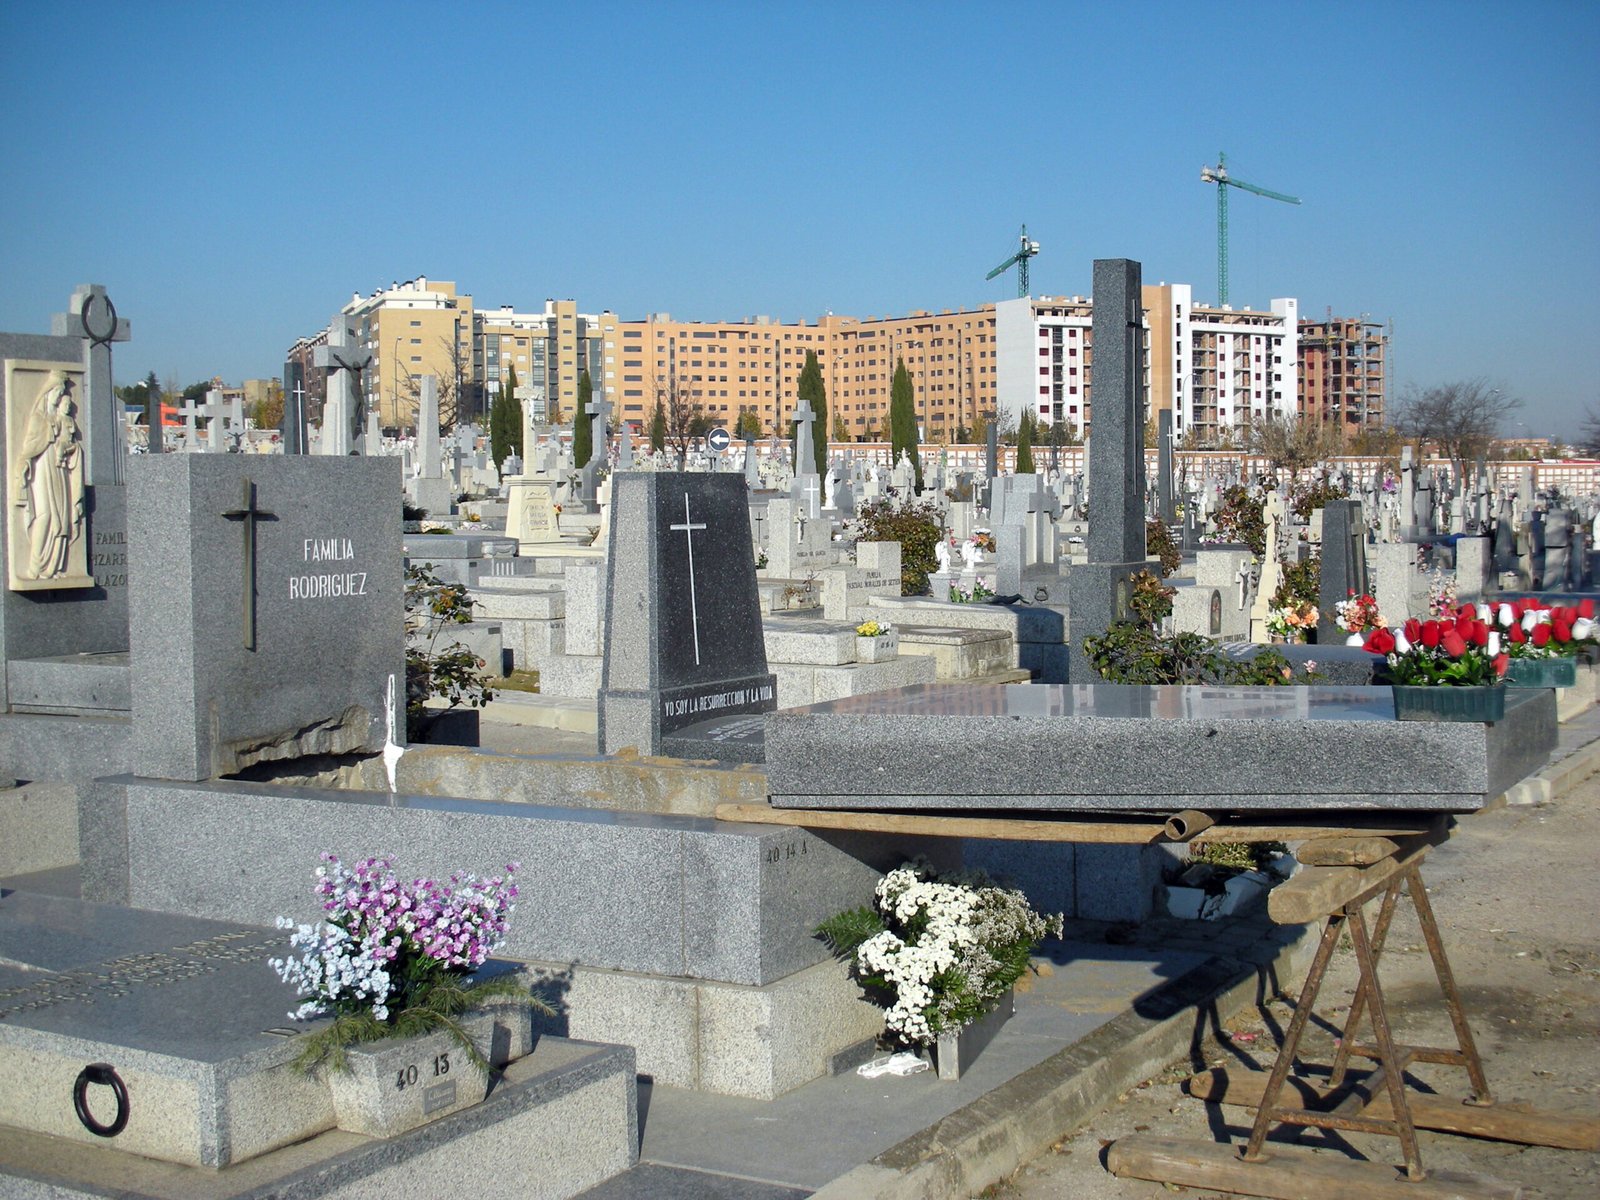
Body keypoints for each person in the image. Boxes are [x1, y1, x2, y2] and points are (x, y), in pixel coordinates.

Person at [13, 370, 85, 580]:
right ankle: (35, 567)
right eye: (57, 392)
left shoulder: (63, 419)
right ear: (48, 393)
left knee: (60, 517)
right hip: (43, 469)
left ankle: (54, 567)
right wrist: (24, 464)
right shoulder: (38, 418)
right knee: (45, 514)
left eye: (62, 392)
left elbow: (72, 445)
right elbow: (30, 447)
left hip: (59, 470)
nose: (59, 396)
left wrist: (69, 448)